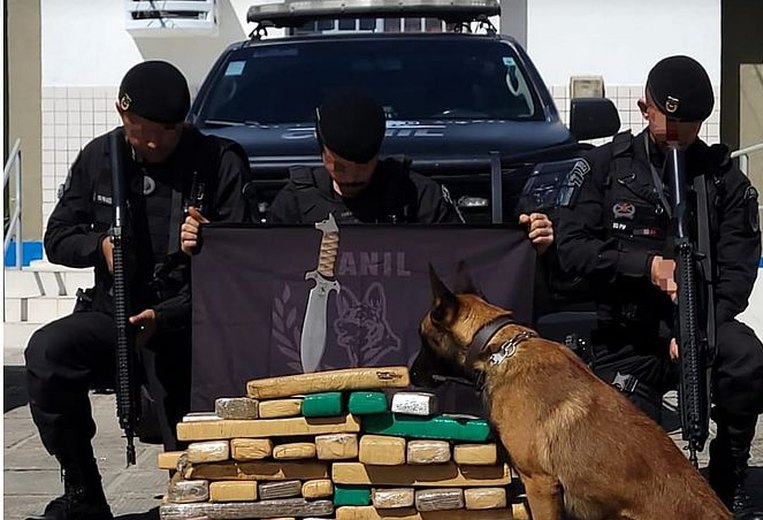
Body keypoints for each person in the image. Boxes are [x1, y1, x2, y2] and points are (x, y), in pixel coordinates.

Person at [554, 55, 763, 520]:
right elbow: (571, 249)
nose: (677, 134)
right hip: (624, 335)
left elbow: (739, 272)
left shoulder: (722, 181)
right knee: (634, 459)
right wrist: (645, 265)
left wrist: (697, 327)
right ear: (645, 108)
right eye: (668, 120)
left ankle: (729, 476)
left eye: (689, 125)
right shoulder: (603, 167)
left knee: (746, 363)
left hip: (696, 329)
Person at [25, 60, 248, 520]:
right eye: (136, 129)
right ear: (120, 113)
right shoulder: (99, 157)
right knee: (48, 354)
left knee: (188, 463)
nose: (146, 142)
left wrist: (211, 240)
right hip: (115, 312)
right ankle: (83, 489)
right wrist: (100, 246)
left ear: (181, 126)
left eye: (159, 133)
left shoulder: (220, 161)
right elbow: (56, 238)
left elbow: (246, 258)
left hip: (187, 323)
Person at [181, 90, 554, 252]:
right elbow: (257, 264)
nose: (351, 176)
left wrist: (526, 240)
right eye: (338, 165)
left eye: (364, 167)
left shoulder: (417, 195)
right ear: (320, 148)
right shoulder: (296, 200)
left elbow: (467, 256)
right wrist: (212, 242)